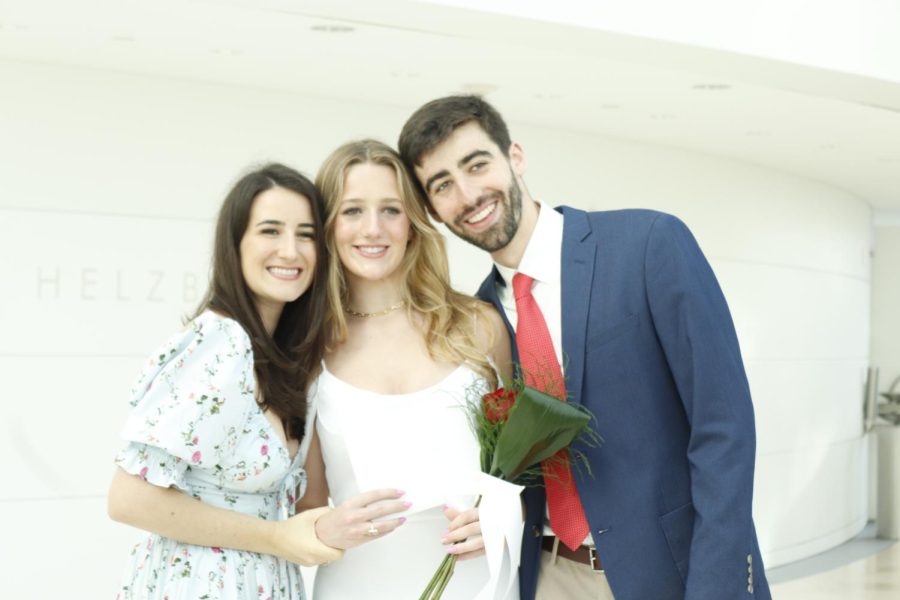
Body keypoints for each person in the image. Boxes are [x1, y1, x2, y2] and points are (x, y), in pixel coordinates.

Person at [398, 96, 772, 600]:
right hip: (549, 576)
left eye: (477, 164)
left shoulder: (648, 244)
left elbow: (723, 428)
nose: (467, 194)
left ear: (516, 157)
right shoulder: (476, 322)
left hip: (675, 574)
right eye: (442, 185)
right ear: (433, 211)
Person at [107, 163, 407, 599]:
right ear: (236, 245)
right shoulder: (219, 343)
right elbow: (129, 500)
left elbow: (306, 506)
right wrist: (279, 538)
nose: (291, 251)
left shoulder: (287, 358)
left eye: (305, 235)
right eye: (270, 231)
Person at [307, 139, 517, 599]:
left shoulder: (479, 327)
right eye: (352, 211)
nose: (373, 229)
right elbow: (304, 514)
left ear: (413, 222)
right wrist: (327, 527)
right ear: (326, 226)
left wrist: (506, 516)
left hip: (481, 585)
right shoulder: (307, 351)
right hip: (358, 586)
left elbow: (531, 470)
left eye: (390, 210)